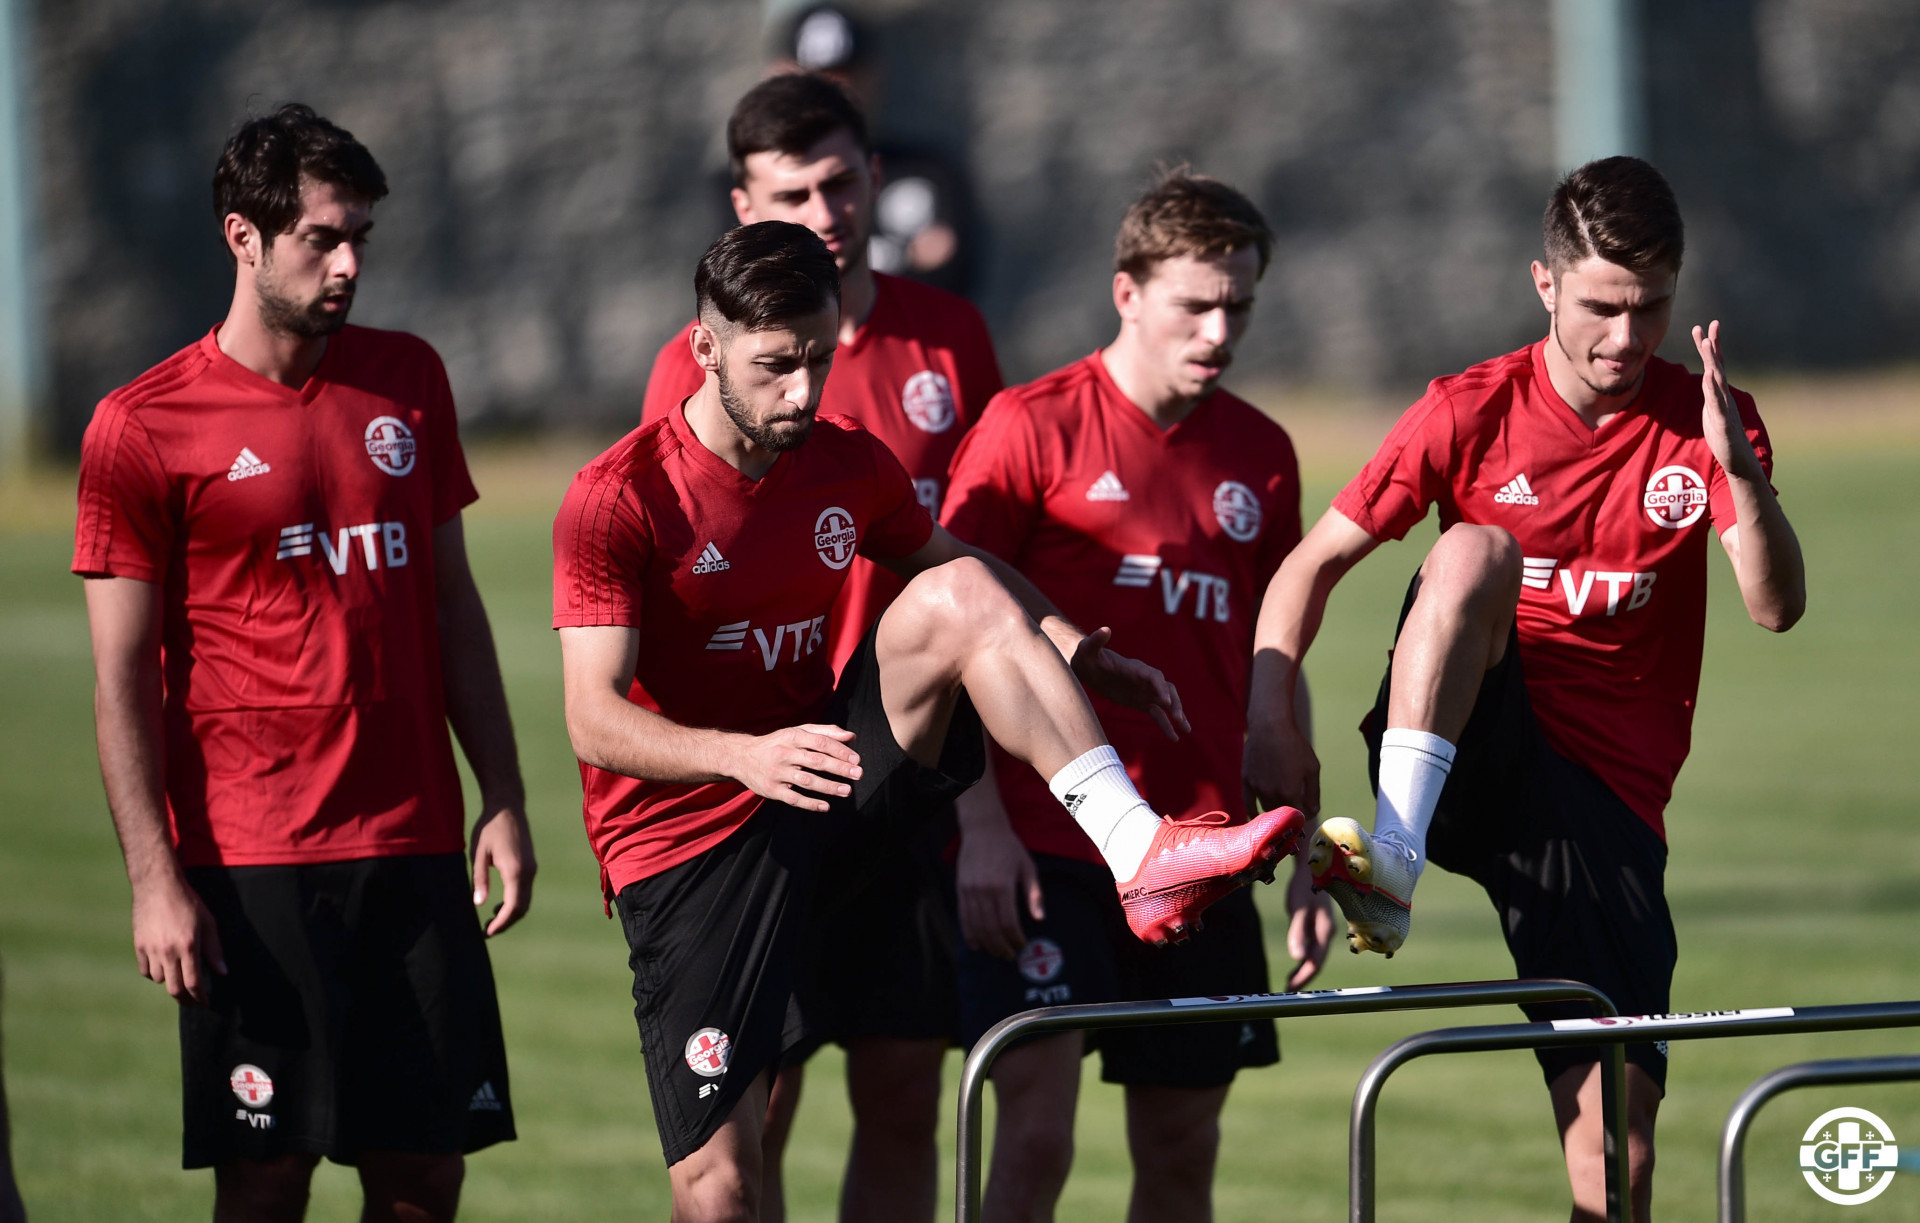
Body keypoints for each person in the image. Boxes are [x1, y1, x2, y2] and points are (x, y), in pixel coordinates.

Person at [554, 220, 1303, 1223]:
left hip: (823, 781)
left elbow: (966, 570)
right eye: (776, 366)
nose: (804, 392)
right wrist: (743, 756)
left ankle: (1140, 850)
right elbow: (592, 719)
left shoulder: (843, 461)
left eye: (820, 360)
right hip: (688, 847)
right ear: (705, 349)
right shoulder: (618, 497)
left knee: (958, 594)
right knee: (721, 1188)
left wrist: (1079, 649)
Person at [1242, 156, 1805, 1222]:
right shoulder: (1470, 408)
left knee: (1619, 1151)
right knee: (1474, 552)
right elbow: (1307, 567)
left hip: (1604, 800)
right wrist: (1270, 714)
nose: (1625, 339)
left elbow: (1776, 607)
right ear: (1545, 283)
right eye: (1600, 307)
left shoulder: (1706, 421)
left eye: (1651, 308)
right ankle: (1393, 859)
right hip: (1467, 744)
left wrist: (1742, 474)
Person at [73, 104, 535, 1223]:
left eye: (361, 237)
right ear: (242, 236)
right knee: (268, 1176)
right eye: (322, 238)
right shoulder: (142, 425)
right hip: (251, 856)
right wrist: (153, 879)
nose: (348, 265)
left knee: (425, 1173)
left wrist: (504, 793)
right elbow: (122, 678)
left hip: (413, 841)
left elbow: (451, 603)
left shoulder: (409, 379)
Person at [640, 72, 1003, 1223]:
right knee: (762, 1104)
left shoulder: (951, 337)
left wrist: (988, 814)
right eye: (791, 192)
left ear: (876, 178)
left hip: (905, 775)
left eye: (840, 181)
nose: (823, 210)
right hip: (762, 786)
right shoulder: (694, 368)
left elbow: (974, 582)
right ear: (743, 204)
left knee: (903, 1087)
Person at [941, 170, 1333, 1223]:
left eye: (1239, 306)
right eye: (1195, 305)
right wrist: (980, 828)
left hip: (1207, 844)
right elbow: (952, 634)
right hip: (1047, 848)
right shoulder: (1028, 427)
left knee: (1182, 1149)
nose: (1220, 332)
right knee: (1033, 1140)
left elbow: (1274, 660)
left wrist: (1303, 849)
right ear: (1127, 293)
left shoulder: (1262, 453)